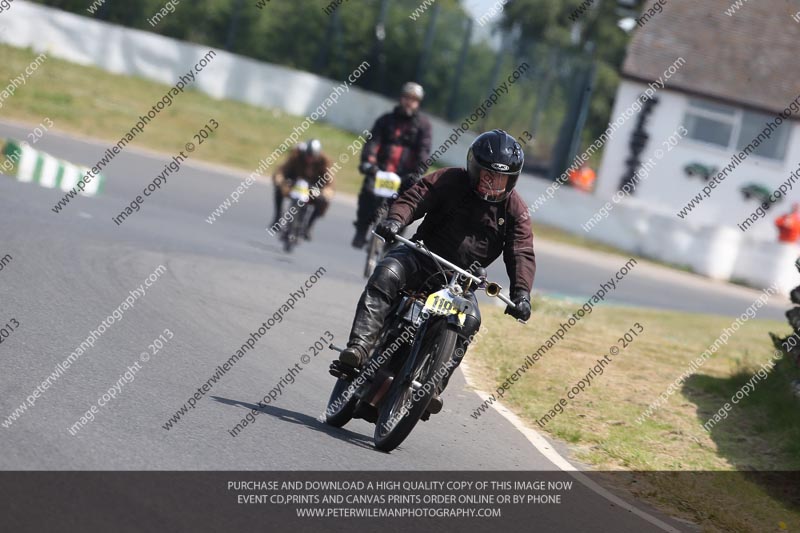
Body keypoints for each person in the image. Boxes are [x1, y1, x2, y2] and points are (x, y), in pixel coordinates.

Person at [339, 129, 535, 415]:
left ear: (512, 179)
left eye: (502, 178)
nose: (493, 184)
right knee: (387, 272)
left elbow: (521, 250)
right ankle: (359, 347)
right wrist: (395, 220)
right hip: (421, 257)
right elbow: (417, 196)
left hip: (462, 281)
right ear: (474, 169)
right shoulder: (450, 179)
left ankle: (432, 385)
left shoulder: (515, 209)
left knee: (470, 320)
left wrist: (522, 294)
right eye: (488, 175)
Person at [351, 82, 433, 248]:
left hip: (405, 175)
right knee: (367, 192)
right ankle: (361, 229)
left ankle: (393, 240)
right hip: (380, 171)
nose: (409, 102)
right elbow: (373, 143)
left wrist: (417, 173)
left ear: (418, 103)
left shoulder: (424, 126)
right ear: (401, 98)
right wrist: (369, 163)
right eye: (407, 98)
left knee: (407, 204)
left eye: (414, 99)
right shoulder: (385, 120)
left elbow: (423, 153)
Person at [270, 139, 335, 240]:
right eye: (307, 155)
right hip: (294, 185)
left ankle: (309, 226)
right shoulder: (296, 155)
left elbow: (329, 182)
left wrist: (326, 192)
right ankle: (277, 218)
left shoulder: (324, 161)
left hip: (313, 189)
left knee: (324, 201)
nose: (309, 159)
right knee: (278, 190)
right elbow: (281, 170)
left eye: (312, 156)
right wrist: (280, 180)